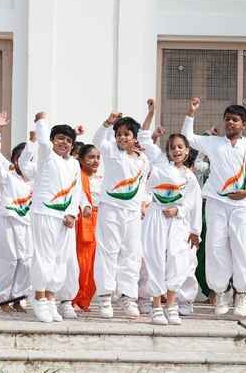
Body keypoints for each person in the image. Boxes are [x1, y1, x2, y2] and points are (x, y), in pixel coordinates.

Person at [182, 97, 246, 317]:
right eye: (227, 119)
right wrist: (191, 112)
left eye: (235, 120)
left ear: (243, 124)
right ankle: (221, 292)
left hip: (243, 204)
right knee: (216, 246)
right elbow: (188, 138)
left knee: (243, 246)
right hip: (217, 202)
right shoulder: (214, 143)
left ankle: (242, 293)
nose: (230, 123)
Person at [91, 102, 154, 319]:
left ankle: (128, 297)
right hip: (111, 209)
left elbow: (143, 186)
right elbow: (97, 141)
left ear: (134, 137)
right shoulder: (110, 151)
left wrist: (144, 203)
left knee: (132, 254)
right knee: (108, 251)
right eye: (118, 134)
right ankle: (105, 297)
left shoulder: (143, 159)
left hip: (132, 213)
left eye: (126, 134)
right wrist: (107, 123)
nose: (122, 137)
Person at [138, 119, 203, 325]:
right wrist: (150, 113)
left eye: (180, 147)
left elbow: (193, 204)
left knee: (177, 259)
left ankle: (172, 306)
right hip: (155, 216)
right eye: (172, 147)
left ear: (187, 151)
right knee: (155, 259)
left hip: (177, 221)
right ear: (167, 150)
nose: (176, 150)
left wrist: (193, 229)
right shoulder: (159, 162)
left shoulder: (190, 177)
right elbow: (143, 137)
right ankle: (156, 306)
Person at [28, 112, 83, 323]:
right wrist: (41, 120)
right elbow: (42, 142)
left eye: (68, 140)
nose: (64, 143)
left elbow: (76, 191)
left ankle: (51, 298)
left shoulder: (74, 164)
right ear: (52, 140)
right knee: (44, 256)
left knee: (61, 259)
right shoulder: (46, 156)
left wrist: (72, 214)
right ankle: (39, 298)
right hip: (44, 213)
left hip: (64, 218)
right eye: (60, 138)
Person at [0, 111, 33, 312]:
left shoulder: (35, 178)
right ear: (15, 159)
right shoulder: (7, 174)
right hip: (9, 222)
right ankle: (4, 299)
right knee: (8, 260)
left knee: (26, 262)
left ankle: (18, 299)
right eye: (21, 158)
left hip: (28, 225)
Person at [73, 143, 101, 312]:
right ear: (82, 160)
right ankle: (74, 299)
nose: (95, 160)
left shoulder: (102, 178)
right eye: (91, 157)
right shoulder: (78, 176)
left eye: (97, 157)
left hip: (102, 221)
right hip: (83, 220)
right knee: (82, 261)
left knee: (96, 263)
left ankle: (85, 300)